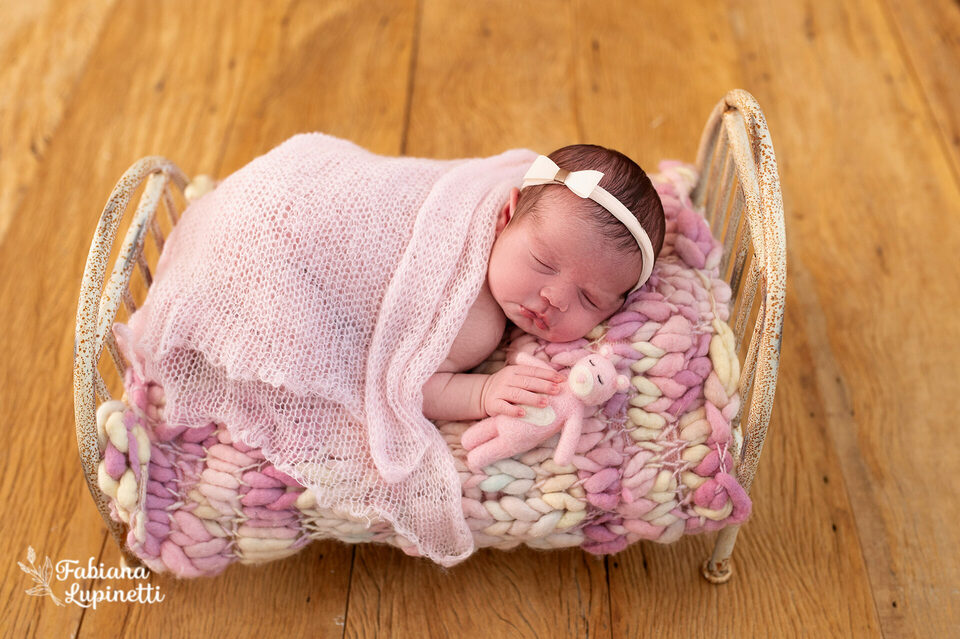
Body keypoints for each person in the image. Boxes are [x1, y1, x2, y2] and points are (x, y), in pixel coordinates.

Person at [422, 144, 665, 423]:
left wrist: (488, 390)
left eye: (589, 298)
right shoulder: (476, 325)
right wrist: (480, 393)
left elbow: (412, 380)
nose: (556, 299)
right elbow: (404, 388)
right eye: (543, 263)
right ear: (507, 216)